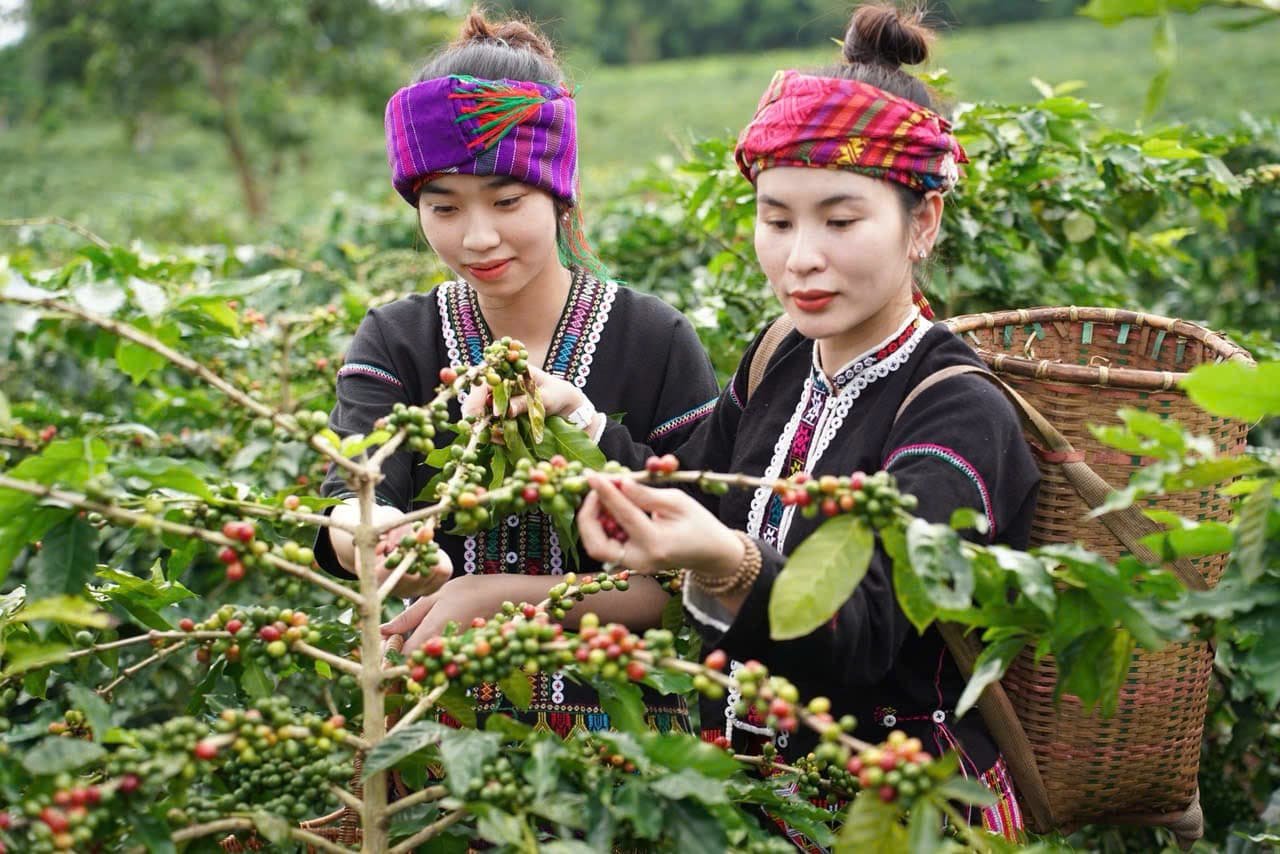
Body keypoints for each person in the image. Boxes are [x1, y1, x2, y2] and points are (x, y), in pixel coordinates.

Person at [576, 2, 1038, 841]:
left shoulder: (957, 410)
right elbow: (695, 493)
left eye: (841, 220)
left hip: (905, 812)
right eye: (777, 219)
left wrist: (728, 559)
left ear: (923, 223)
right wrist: (579, 423)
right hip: (759, 795)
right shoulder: (781, 355)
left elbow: (865, 633)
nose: (801, 258)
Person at [315, 9, 719, 737]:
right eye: (443, 207)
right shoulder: (398, 338)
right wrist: (374, 539)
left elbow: (694, 575)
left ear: (558, 192)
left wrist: (498, 594)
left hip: (630, 751)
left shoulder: (654, 339)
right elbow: (354, 492)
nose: (477, 237)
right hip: (441, 743)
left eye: (507, 202)